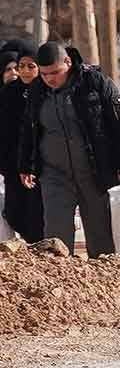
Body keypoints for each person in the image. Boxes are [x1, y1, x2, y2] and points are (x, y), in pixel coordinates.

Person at [18, 43, 120, 256]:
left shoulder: (94, 82)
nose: (50, 79)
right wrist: (25, 164)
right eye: (44, 74)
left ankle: (101, 282)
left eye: (55, 72)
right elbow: (29, 128)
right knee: (55, 234)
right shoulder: (37, 90)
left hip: (94, 170)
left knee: (100, 235)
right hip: (54, 174)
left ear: (68, 62)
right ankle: (57, 281)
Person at [0, 46, 43, 242]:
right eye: (21, 66)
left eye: (30, 66)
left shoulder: (46, 92)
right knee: (13, 213)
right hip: (12, 164)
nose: (24, 71)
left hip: (40, 164)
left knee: (35, 214)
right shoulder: (9, 92)